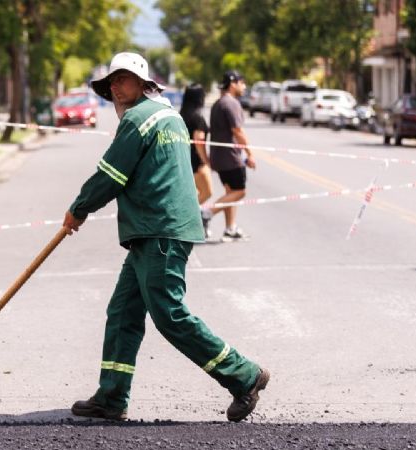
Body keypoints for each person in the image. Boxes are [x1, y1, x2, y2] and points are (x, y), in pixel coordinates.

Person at [62, 53, 269, 422]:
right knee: (123, 312)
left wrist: (79, 209)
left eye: (123, 79)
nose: (115, 87)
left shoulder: (138, 119)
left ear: (143, 84)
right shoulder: (169, 116)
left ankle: (244, 375)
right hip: (156, 229)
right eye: (112, 81)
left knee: (170, 315)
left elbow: (111, 175)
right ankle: (112, 396)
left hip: (160, 230)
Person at [202, 70, 255, 240]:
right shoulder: (231, 103)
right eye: (242, 83)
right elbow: (237, 131)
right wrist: (250, 153)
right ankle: (206, 213)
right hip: (230, 157)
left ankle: (230, 228)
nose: (244, 86)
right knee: (240, 191)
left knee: (230, 192)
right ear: (233, 84)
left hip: (219, 157)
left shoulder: (218, 103)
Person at [179, 84, 213, 207]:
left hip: (183, 159)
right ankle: (187, 214)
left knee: (191, 193)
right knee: (207, 192)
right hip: (196, 162)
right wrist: (206, 161)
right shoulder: (198, 117)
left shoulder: (181, 115)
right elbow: (199, 141)